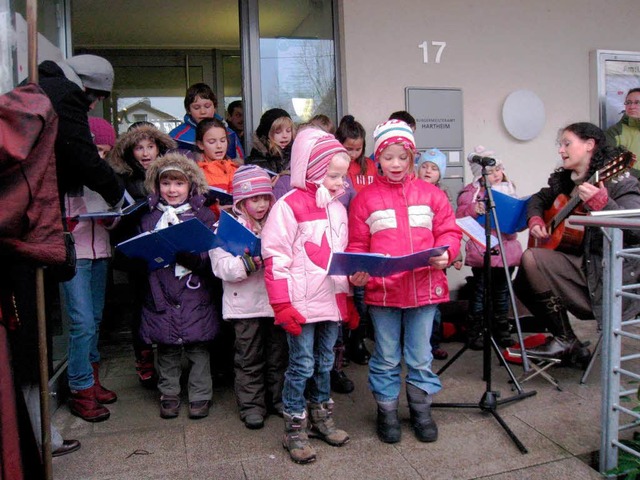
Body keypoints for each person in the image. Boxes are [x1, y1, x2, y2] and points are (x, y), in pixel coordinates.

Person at [347, 120, 462, 445]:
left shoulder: (432, 194)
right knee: (384, 355)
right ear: (378, 159)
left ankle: (421, 411)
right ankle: (387, 412)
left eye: (402, 157)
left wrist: (449, 252)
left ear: (412, 157)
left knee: (420, 355)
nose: (395, 164)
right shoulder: (365, 198)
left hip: (424, 290)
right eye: (388, 157)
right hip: (383, 293)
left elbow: (449, 232)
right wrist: (357, 269)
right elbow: (357, 243)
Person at [261, 128, 365, 464]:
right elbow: (275, 257)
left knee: (325, 362)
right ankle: (294, 426)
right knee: (301, 364)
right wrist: (282, 304)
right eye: (332, 175)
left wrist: (347, 296)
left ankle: (321, 416)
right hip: (301, 305)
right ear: (310, 168)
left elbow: (341, 256)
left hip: (331, 300)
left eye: (342, 175)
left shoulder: (337, 208)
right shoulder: (287, 207)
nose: (339, 182)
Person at [515, 122, 640, 363]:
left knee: (532, 259)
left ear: (590, 145)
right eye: (560, 144)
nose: (561, 150)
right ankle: (567, 341)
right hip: (583, 265)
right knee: (523, 281)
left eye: (567, 143)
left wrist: (604, 205)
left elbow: (635, 229)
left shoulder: (620, 181)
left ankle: (565, 340)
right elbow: (538, 198)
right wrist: (536, 219)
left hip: (608, 276)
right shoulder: (567, 181)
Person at [138, 152, 220, 419]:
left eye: (179, 183)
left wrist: (196, 259)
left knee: (199, 348)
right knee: (167, 347)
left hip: (195, 293)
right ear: (156, 186)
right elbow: (138, 254)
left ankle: (200, 395)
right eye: (166, 183)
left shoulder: (204, 216)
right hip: (160, 290)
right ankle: (169, 392)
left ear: (191, 185)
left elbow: (213, 258)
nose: (172, 190)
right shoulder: (149, 218)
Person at [210, 165, 287, 430]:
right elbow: (219, 266)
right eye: (255, 199)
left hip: (274, 303)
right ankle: (252, 406)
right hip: (244, 306)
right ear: (241, 200)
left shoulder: (277, 222)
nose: (262, 204)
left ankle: (278, 399)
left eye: (266, 198)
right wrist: (245, 265)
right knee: (249, 358)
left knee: (278, 355)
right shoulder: (225, 226)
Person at [109, 124, 177, 388]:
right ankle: (144, 356)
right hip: (138, 252)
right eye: (139, 147)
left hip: (168, 248)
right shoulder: (122, 178)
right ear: (130, 151)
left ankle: (171, 353)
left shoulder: (169, 172)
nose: (146, 153)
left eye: (151, 146)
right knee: (141, 304)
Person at [61, 118, 119, 423]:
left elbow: (115, 216)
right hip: (75, 255)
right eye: (94, 149)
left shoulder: (104, 176)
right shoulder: (65, 177)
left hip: (101, 253)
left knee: (94, 319)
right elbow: (54, 219)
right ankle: (80, 387)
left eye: (105, 151)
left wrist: (111, 218)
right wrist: (74, 221)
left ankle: (91, 379)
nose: (98, 156)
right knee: (81, 321)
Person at [455, 145, 522, 350]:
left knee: (502, 293)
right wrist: (474, 209)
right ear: (480, 175)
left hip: (506, 250)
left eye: (498, 170)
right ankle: (475, 332)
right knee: (481, 292)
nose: (495, 175)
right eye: (490, 172)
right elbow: (460, 215)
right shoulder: (472, 192)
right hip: (484, 250)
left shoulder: (509, 189)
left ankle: (501, 330)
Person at [415, 148, 462, 360]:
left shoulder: (443, 195)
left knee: (434, 305)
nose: (427, 171)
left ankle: (433, 344)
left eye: (433, 168)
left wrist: (455, 256)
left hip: (437, 258)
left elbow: (450, 230)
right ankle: (413, 346)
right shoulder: (411, 190)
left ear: (440, 174)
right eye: (424, 166)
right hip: (416, 256)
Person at [169, 83, 244, 162]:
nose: (203, 111)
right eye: (196, 107)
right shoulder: (176, 136)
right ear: (188, 110)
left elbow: (241, 163)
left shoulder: (229, 133)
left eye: (207, 106)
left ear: (214, 107)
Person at [195, 117, 239, 192]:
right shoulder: (196, 173)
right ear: (200, 144)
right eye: (212, 142)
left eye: (223, 140)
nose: (219, 146)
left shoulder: (236, 171)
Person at [247, 108, 295, 174]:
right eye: (278, 132)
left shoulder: (296, 154)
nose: (285, 135)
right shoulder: (256, 161)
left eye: (288, 131)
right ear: (266, 135)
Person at [606, 88, 640, 178]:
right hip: (630, 187)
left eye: (637, 102)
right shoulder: (615, 131)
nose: (631, 106)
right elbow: (609, 164)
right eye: (628, 102)